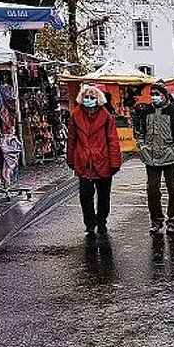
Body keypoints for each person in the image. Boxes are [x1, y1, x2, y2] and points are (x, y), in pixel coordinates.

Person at [133, 83, 174, 234]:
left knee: (173, 190)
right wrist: (143, 147)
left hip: (171, 158)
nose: (154, 97)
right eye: (152, 94)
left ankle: (172, 221)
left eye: (157, 93)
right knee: (152, 190)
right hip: (151, 158)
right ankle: (156, 221)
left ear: (164, 95)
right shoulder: (146, 110)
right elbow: (138, 132)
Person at [67, 84, 122, 235]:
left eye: (92, 97)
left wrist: (115, 162)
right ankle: (90, 223)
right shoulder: (75, 115)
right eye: (86, 97)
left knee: (104, 196)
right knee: (85, 197)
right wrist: (71, 159)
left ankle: (102, 221)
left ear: (98, 99)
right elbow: (71, 139)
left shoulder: (106, 117)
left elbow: (113, 140)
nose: (89, 100)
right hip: (83, 161)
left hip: (103, 161)